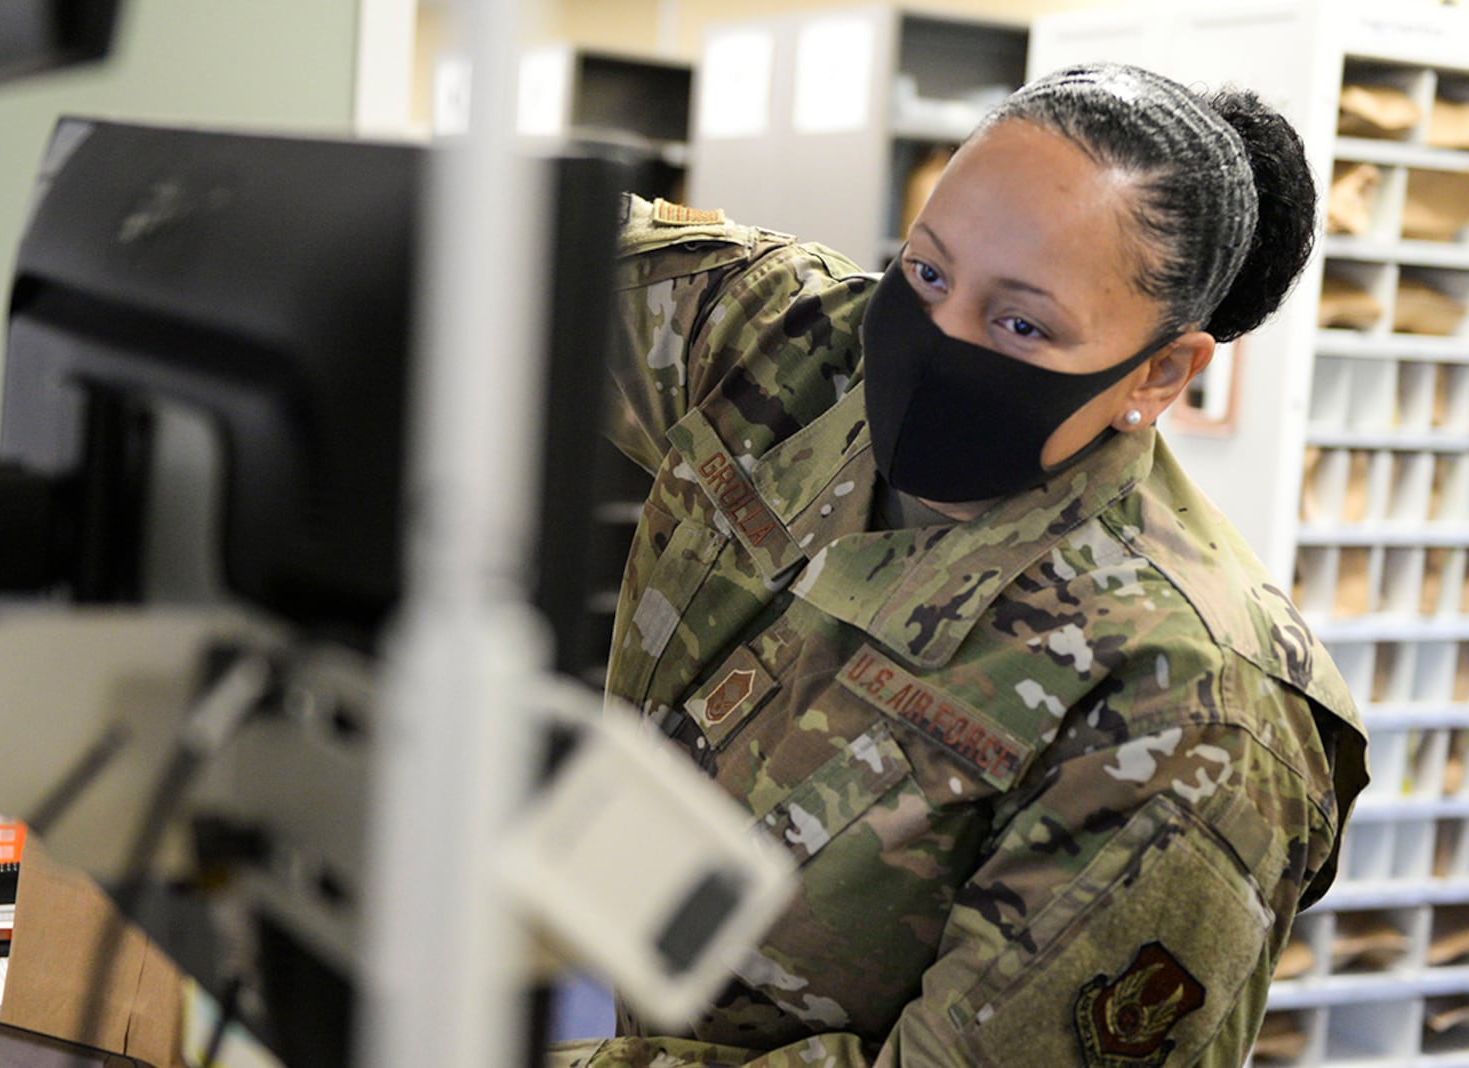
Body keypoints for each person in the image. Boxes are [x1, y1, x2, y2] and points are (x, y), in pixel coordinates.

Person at [553, 62, 1368, 1067]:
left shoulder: (1193, 707)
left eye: (1020, 323)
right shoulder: (801, 349)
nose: (933, 339)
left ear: (1159, 374)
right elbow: (502, 252)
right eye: (927, 273)